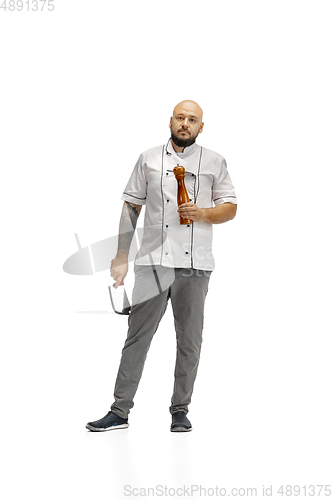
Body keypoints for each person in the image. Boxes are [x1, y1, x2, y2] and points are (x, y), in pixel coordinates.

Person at [86, 100, 237, 432]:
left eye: (192, 119)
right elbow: (131, 208)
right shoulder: (149, 158)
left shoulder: (214, 161)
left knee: (190, 340)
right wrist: (121, 256)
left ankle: (180, 409)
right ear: (170, 121)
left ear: (201, 126)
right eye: (180, 117)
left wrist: (204, 213)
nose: (185, 123)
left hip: (195, 266)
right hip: (152, 264)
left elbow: (230, 207)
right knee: (137, 338)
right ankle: (120, 410)